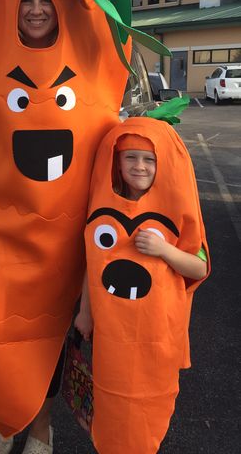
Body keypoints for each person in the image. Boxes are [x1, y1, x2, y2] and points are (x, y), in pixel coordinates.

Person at [0, 0, 170, 454]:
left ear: (63, 9)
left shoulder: (94, 77)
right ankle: (3, 417)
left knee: (49, 340)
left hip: (62, 235)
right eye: (27, 1)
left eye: (46, 1)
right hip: (0, 231)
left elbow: (109, 153)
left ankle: (39, 427)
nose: (34, 10)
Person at [75, 116, 210, 453]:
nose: (139, 166)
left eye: (149, 159)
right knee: (112, 401)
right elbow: (92, 264)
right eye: (130, 157)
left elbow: (199, 266)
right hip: (113, 333)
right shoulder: (101, 203)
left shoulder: (176, 209)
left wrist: (164, 249)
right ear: (116, 161)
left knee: (149, 406)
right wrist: (84, 312)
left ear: (162, 164)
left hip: (156, 332)